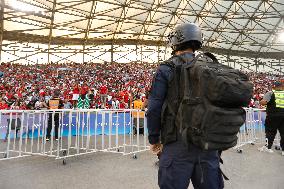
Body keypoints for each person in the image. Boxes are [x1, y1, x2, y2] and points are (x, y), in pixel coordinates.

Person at [147, 23, 224, 189]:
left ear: (176, 41)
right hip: (208, 145)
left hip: (177, 144)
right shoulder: (211, 67)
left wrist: (154, 139)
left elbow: (153, 108)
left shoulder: (166, 68)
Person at [259, 81, 284, 155]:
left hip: (272, 116)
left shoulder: (270, 93)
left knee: (270, 132)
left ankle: (268, 147)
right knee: (283, 133)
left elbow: (263, 102)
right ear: (282, 86)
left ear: (274, 86)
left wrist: (261, 101)